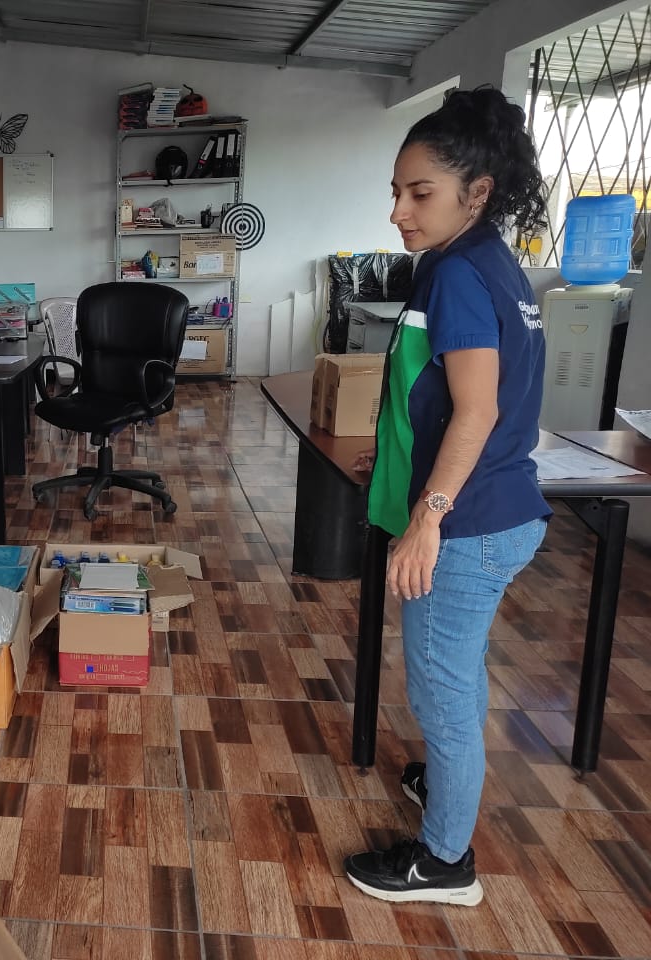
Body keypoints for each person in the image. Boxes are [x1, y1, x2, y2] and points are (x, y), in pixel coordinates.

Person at [344, 87, 551, 906]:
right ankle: (447, 788)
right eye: (396, 191)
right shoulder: (488, 260)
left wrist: (427, 516)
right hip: (499, 507)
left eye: (419, 193)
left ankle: (444, 862)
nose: (399, 211)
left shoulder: (460, 273)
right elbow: (439, 397)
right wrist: (404, 470)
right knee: (455, 670)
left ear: (478, 191)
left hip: (468, 523)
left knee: (441, 687)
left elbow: (478, 411)